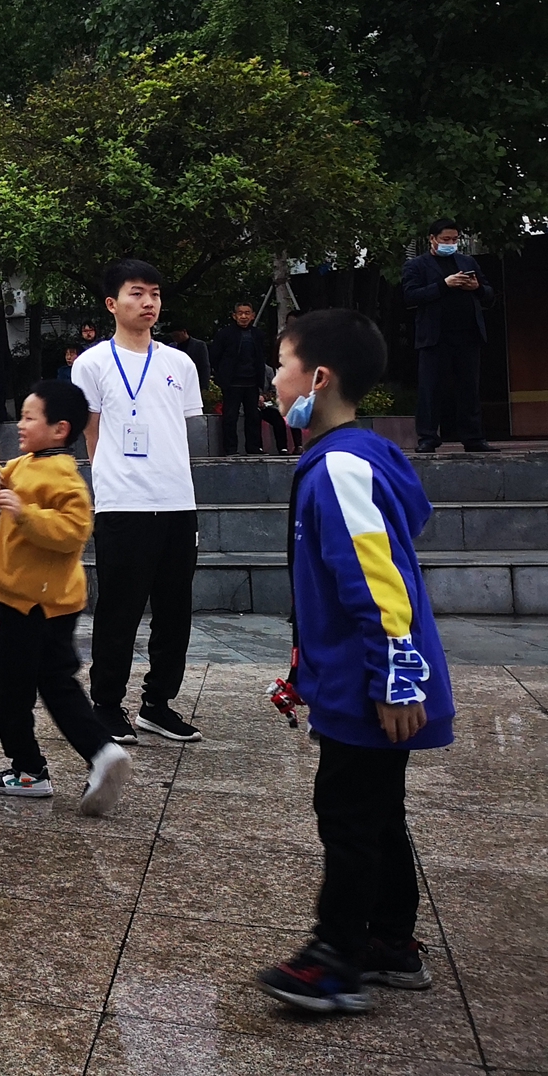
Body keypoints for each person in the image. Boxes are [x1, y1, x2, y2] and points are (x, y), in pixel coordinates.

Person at [255, 309, 455, 1013]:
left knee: (347, 813)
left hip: (374, 684)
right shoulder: (348, 457)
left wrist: (397, 678)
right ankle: (390, 943)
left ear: (317, 378)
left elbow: (376, 582)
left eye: (280, 364)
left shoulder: (340, 464)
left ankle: (336, 959)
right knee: (375, 811)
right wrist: (308, 666)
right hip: (352, 676)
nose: (273, 380)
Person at [0, 380, 133, 815]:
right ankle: (102, 752)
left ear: (60, 429)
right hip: (44, 602)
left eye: (30, 418)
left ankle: (29, 770)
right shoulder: (26, 463)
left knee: (10, 689)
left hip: (30, 604)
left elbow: (74, 531)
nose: (21, 425)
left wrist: (25, 514)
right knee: (56, 683)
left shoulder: (62, 475)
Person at [71, 259, 204, 746]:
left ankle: (158, 703)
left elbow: (180, 428)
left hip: (176, 501)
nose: (148, 303)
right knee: (120, 609)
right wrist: (110, 484)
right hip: (123, 503)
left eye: (155, 294)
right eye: (136, 294)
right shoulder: (91, 363)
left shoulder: (179, 363)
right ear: (112, 303)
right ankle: (106, 704)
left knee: (175, 608)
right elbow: (92, 433)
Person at [401, 219, 497, 453]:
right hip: (434, 336)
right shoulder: (417, 265)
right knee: (430, 388)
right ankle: (428, 437)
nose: (451, 244)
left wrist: (476, 288)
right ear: (432, 239)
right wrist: (445, 284)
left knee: (469, 388)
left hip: (467, 334)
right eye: (446, 239)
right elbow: (410, 296)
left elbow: (489, 294)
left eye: (454, 240)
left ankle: (473, 437)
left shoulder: (466, 261)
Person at [211, 303, 268, 455]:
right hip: (232, 382)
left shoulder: (258, 334)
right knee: (230, 416)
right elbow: (215, 357)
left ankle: (254, 448)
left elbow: (261, 358)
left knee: (253, 417)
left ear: (253, 315)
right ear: (234, 315)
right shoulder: (225, 334)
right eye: (240, 313)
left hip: (252, 382)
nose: (243, 316)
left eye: (247, 313)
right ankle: (230, 449)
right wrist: (223, 375)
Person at [166, 324, 211, 394]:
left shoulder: (199, 345)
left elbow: (204, 366)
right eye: (173, 337)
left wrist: (205, 386)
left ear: (184, 332)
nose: (176, 339)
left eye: (177, 336)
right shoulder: (171, 347)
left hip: (195, 381)